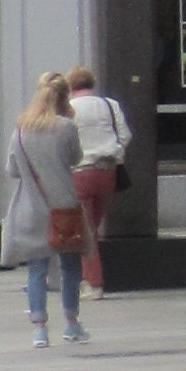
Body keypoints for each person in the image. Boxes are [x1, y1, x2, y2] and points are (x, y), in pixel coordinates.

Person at [4, 70, 91, 346]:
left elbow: (12, 170)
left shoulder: (20, 130)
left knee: (36, 269)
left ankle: (39, 329)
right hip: (63, 204)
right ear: (64, 97)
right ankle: (71, 323)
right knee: (70, 265)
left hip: (32, 206)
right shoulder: (65, 127)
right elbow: (76, 158)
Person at [64, 65, 130, 250]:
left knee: (86, 234)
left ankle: (89, 269)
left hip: (80, 172)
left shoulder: (68, 108)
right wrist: (115, 152)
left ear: (70, 85)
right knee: (93, 226)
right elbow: (125, 136)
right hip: (107, 172)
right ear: (92, 82)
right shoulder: (110, 104)